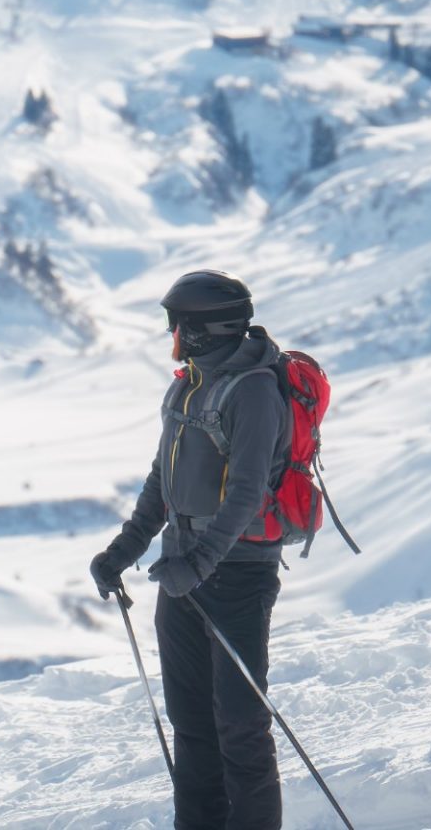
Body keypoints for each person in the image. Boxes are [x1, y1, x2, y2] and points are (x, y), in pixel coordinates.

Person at [90, 269, 289, 829]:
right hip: (182, 573)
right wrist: (121, 552)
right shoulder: (189, 383)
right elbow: (163, 480)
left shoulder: (253, 390)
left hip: (237, 575)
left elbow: (248, 492)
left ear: (202, 329)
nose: (171, 335)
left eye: (177, 325)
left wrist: (199, 564)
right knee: (191, 723)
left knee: (240, 726)